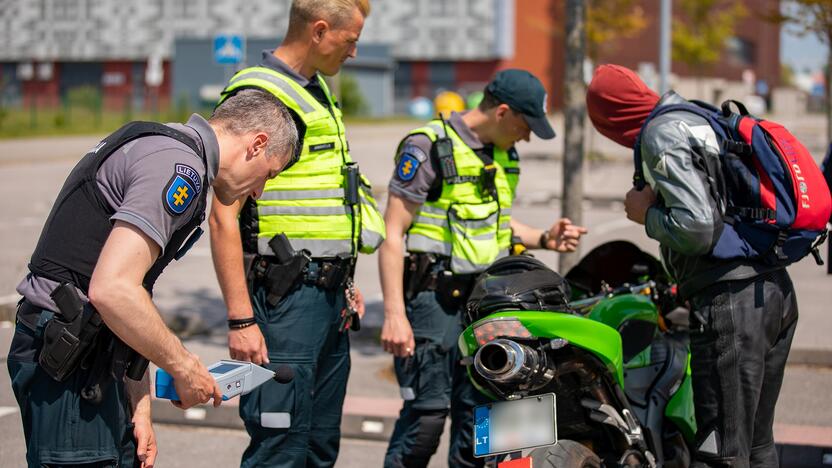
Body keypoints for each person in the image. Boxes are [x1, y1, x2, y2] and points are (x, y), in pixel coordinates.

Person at [7, 89, 299, 468]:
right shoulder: (180, 169)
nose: (258, 191)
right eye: (268, 175)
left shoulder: (162, 144)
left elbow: (132, 295)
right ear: (257, 144)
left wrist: (138, 405)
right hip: (71, 367)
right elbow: (112, 290)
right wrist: (183, 365)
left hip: (88, 358)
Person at [586, 64, 797, 468]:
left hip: (731, 301)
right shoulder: (700, 118)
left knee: (720, 452)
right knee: (755, 444)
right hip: (774, 291)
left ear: (611, 120)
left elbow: (698, 227)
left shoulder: (660, 132)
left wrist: (644, 214)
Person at [379, 69, 588, 467]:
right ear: (503, 112)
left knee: (488, 423)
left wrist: (544, 237)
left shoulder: (505, 154)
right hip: (433, 299)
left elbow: (494, 221)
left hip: (486, 303)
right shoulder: (428, 146)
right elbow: (392, 233)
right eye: (526, 127)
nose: (527, 137)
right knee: (425, 419)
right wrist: (394, 315)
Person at [208, 1, 385, 466]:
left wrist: (345, 281)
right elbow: (223, 214)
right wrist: (240, 319)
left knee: (320, 444)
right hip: (286, 301)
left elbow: (327, 201)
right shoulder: (262, 94)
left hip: (328, 299)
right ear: (320, 31)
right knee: (280, 446)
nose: (353, 53)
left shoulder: (318, 92)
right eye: (351, 42)